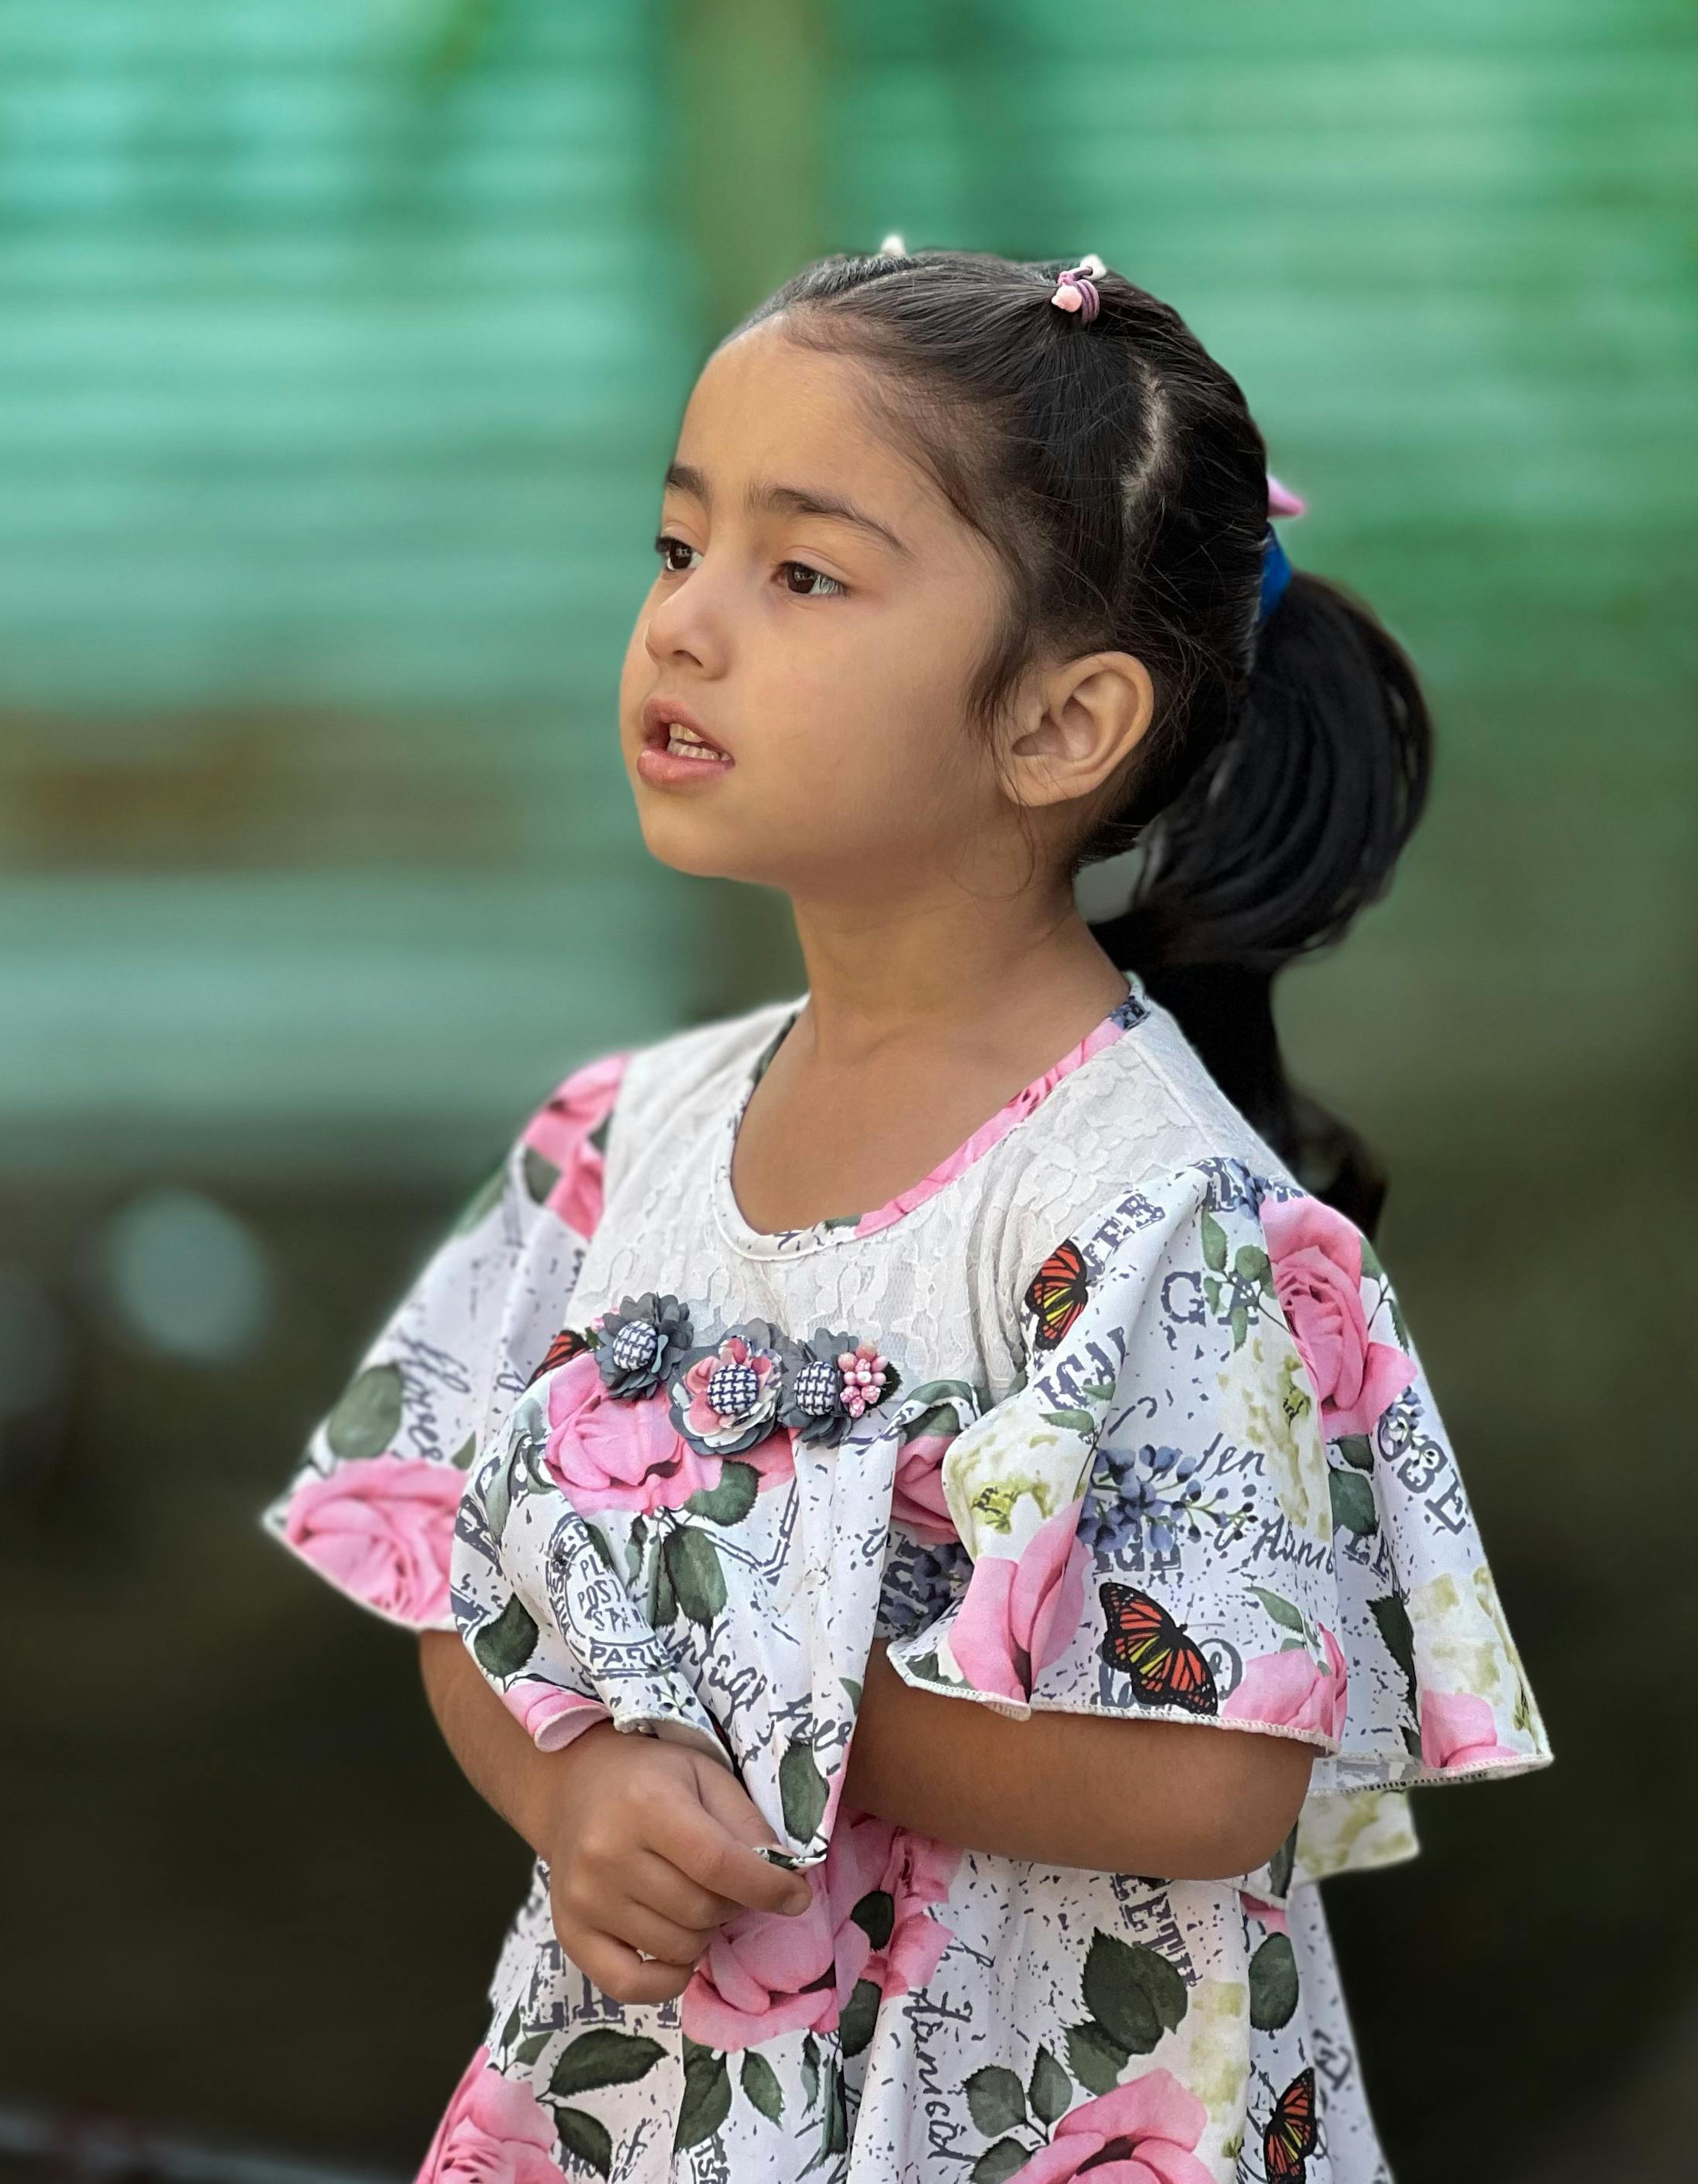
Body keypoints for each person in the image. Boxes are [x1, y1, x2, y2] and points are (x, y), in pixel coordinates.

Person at [261, 242, 1552, 2184]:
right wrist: (575, 1782)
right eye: (676, 545)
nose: (683, 627)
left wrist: (745, 1687)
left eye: (801, 573)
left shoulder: (1153, 1214)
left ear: (1059, 723)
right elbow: (448, 1564)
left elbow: (1216, 1779)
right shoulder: (614, 1142)